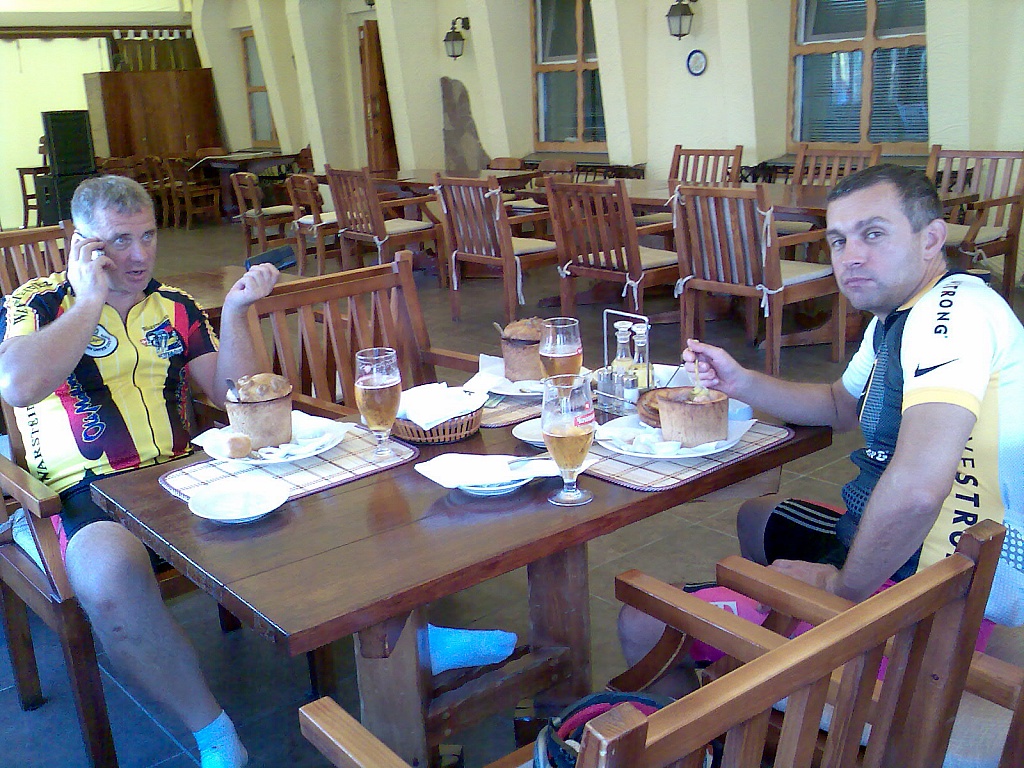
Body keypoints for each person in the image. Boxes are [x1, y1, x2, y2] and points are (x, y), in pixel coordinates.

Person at [619, 164, 1024, 687]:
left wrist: (838, 588)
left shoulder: (952, 315)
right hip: (916, 554)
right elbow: (840, 404)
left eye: (873, 234)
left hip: (934, 593)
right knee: (759, 517)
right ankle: (762, 662)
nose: (850, 256)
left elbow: (919, 490)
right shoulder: (899, 315)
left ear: (930, 239)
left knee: (644, 620)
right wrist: (740, 382)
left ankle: (741, 700)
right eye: (838, 240)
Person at [0, 175, 281, 768]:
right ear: (80, 244)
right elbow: (19, 385)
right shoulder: (37, 303)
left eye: (148, 236)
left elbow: (235, 394)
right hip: (84, 491)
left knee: (303, 505)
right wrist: (88, 301)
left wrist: (236, 310)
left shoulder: (173, 306)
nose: (138, 255)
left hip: (181, 476)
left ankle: (400, 640)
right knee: (106, 572)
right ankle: (213, 730)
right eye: (119, 241)